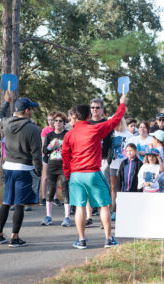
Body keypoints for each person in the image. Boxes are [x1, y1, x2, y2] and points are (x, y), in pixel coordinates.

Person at [62, 93, 127, 249]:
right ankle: (108, 239)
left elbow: (65, 156)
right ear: (89, 115)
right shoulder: (95, 129)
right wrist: (122, 103)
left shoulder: (69, 134)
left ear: (75, 116)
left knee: (79, 206)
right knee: (104, 205)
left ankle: (82, 240)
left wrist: (68, 174)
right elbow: (115, 120)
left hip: (76, 175)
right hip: (93, 172)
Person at [0, 91, 42, 247]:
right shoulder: (33, 129)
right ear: (27, 110)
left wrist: (6, 102)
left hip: (9, 167)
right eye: (31, 109)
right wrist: (39, 172)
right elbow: (36, 154)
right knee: (20, 204)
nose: (33, 111)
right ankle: (14, 238)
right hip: (24, 168)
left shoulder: (7, 123)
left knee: (6, 202)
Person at [41, 112, 71, 227]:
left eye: (60, 121)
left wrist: (62, 147)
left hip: (64, 166)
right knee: (50, 190)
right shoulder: (49, 135)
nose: (57, 123)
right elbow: (45, 151)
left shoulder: (67, 134)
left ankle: (67, 217)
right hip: (52, 165)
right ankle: (48, 216)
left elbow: (72, 149)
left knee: (65, 189)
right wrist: (51, 145)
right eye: (56, 121)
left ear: (64, 123)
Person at [86, 98, 112, 223]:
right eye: (92, 107)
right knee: (88, 188)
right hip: (89, 160)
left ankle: (104, 219)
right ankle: (89, 217)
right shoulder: (87, 123)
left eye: (97, 107)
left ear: (102, 109)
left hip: (103, 160)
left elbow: (111, 143)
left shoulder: (106, 123)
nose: (94, 110)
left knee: (103, 189)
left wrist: (109, 159)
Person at [108, 117, 133, 222]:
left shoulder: (129, 135)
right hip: (112, 163)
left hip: (124, 164)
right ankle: (113, 209)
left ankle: (122, 208)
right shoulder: (111, 134)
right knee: (113, 187)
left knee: (123, 187)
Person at [40, 112, 56, 207]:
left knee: (55, 177)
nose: (51, 122)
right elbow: (43, 145)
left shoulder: (58, 130)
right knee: (45, 177)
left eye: (52, 120)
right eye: (49, 120)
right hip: (46, 155)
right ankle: (44, 197)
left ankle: (55, 197)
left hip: (56, 155)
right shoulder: (45, 130)